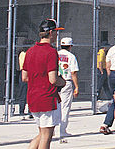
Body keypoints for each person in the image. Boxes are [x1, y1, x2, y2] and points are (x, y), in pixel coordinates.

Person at [23, 19, 63, 149]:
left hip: (33, 97)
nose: (57, 35)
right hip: (47, 98)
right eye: (56, 32)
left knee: (41, 133)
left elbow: (25, 77)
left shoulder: (30, 52)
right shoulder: (51, 51)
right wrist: (63, 81)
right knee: (46, 136)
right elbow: (53, 79)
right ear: (50, 33)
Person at [56, 37, 79, 142]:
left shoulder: (55, 54)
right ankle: (62, 130)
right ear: (70, 46)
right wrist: (76, 86)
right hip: (66, 81)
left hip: (55, 81)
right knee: (65, 107)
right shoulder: (71, 56)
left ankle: (53, 129)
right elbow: (73, 72)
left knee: (55, 106)